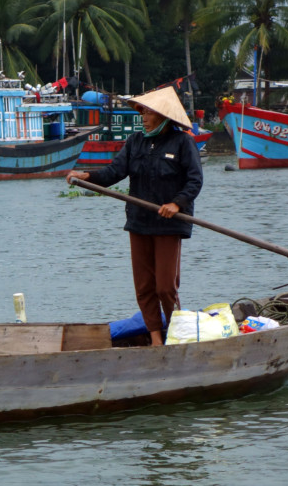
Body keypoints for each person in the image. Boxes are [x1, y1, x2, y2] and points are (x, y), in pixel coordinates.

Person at [66, 86, 203, 346]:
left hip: (167, 223)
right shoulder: (135, 142)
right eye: (142, 111)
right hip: (139, 222)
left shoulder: (183, 142)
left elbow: (195, 180)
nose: (143, 116)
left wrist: (176, 204)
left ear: (163, 116)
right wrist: (87, 176)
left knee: (165, 286)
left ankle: (175, 332)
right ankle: (155, 339)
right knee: (144, 286)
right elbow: (114, 172)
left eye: (149, 112)